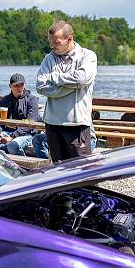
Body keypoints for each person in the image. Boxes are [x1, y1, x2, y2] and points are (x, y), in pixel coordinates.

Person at [36, 20, 97, 162]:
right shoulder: (49, 58)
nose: (52, 46)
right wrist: (72, 87)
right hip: (52, 124)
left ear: (69, 39)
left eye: (56, 43)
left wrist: (55, 77)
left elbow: (82, 79)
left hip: (77, 124)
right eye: (50, 42)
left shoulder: (88, 56)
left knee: (81, 171)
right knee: (58, 170)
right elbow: (40, 86)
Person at [0, 73, 44, 158]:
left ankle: (23, 166)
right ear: (10, 86)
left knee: (12, 146)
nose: (19, 88)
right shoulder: (5, 100)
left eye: (22, 85)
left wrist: (13, 136)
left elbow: (31, 122)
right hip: (7, 132)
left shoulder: (32, 99)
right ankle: (2, 162)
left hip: (27, 134)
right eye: (16, 85)